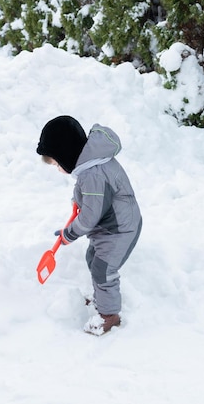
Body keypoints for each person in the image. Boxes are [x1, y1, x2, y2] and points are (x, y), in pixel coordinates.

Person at [36, 115, 142, 335]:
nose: (58, 169)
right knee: (92, 259)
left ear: (67, 155)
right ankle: (102, 299)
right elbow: (93, 196)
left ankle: (109, 315)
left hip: (120, 229)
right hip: (110, 225)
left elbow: (90, 216)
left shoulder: (92, 174)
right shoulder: (90, 166)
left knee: (103, 270)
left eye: (57, 163)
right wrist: (78, 200)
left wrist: (70, 234)